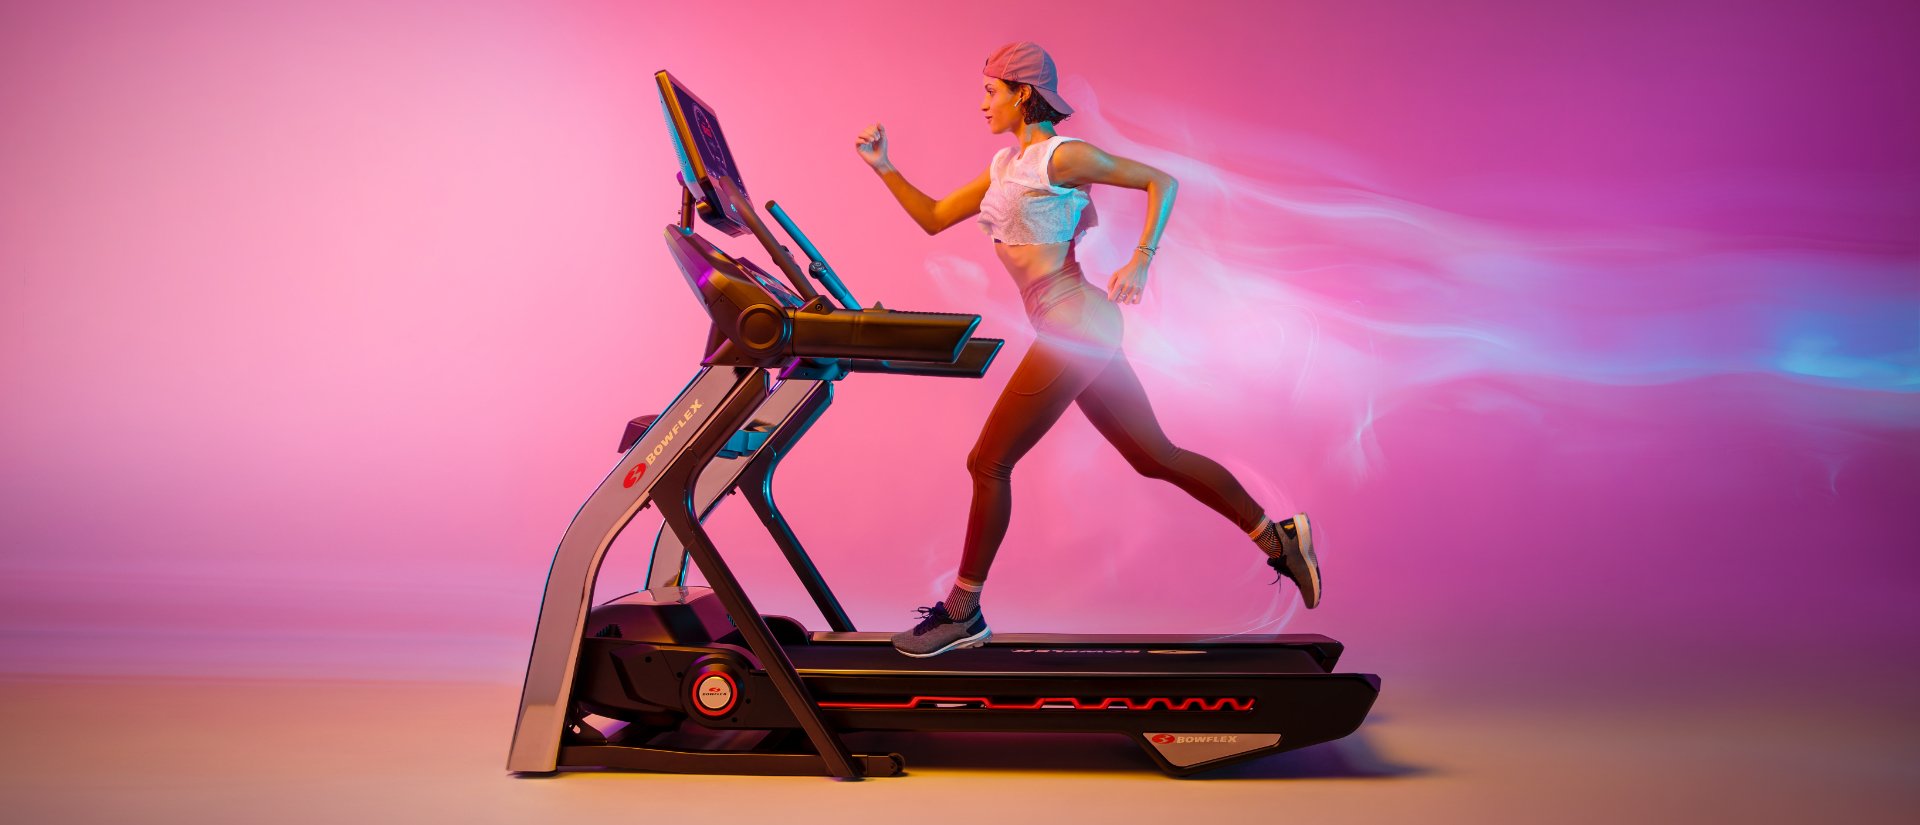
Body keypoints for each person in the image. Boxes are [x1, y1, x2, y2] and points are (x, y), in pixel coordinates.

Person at [856, 42, 1320, 658]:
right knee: (1154, 455)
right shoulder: (1006, 167)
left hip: (1074, 320)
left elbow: (1161, 181)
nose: (981, 104)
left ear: (1023, 93)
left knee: (988, 462)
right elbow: (936, 216)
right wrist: (883, 166)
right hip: (1079, 325)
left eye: (990, 91)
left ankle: (963, 612)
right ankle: (1276, 537)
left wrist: (1141, 260)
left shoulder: (1061, 157)